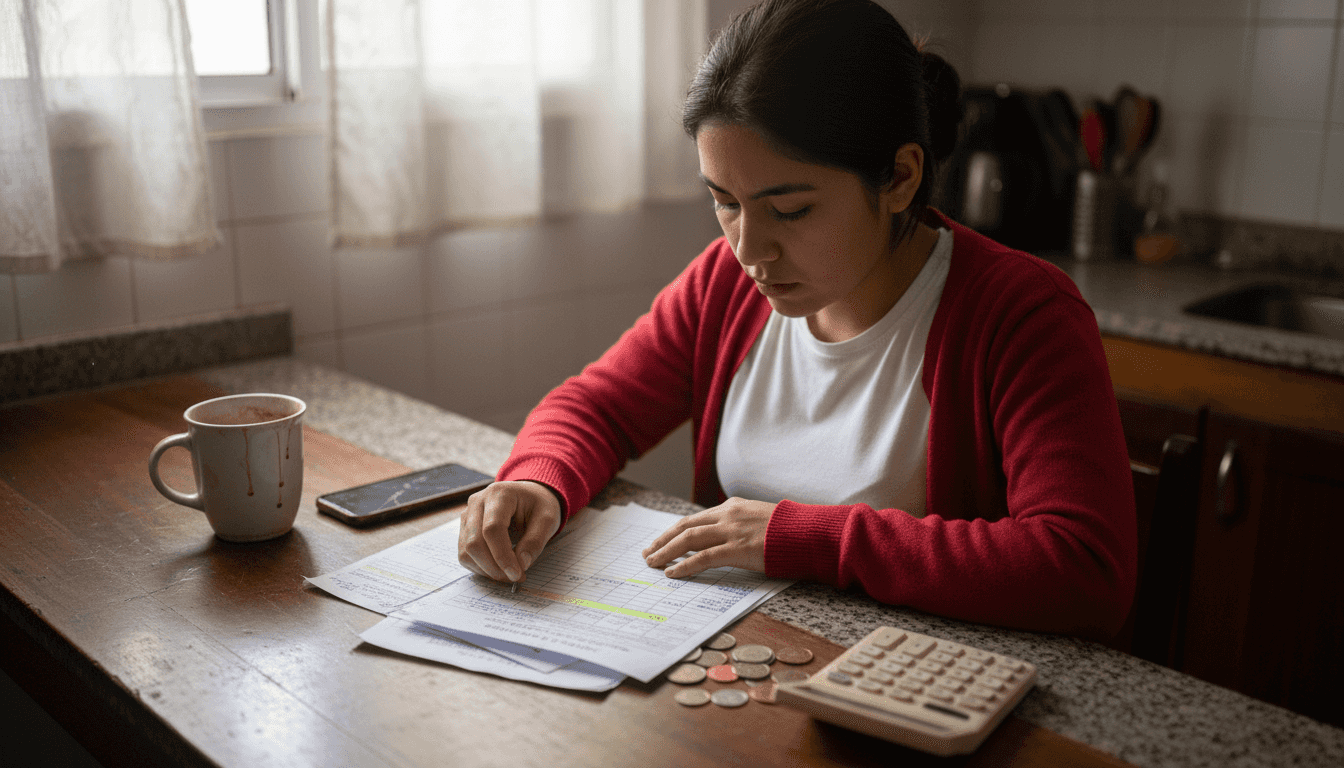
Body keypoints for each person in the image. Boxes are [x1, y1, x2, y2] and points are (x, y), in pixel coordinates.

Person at [458, 0, 1136, 639]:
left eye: (790, 210)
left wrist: (800, 537)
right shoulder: (725, 284)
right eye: (725, 202)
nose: (749, 250)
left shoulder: (1019, 314)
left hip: (917, 696)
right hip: (748, 667)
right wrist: (537, 477)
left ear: (900, 177)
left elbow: (1081, 567)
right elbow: (597, 407)